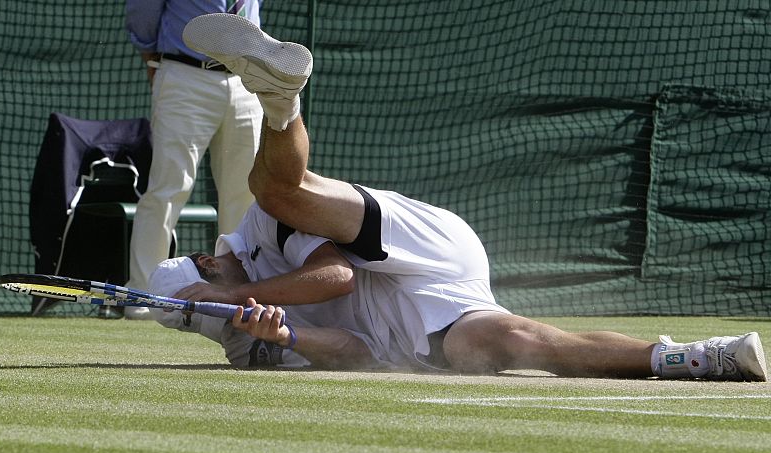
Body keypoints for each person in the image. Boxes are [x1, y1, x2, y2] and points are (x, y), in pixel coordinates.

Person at [148, 13, 768, 381]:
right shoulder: (243, 340)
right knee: (505, 344)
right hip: (411, 320)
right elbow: (355, 352)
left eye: (205, 294)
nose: (215, 316)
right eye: (201, 320)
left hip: (417, 246)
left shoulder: (255, 236)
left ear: (206, 263)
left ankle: (280, 99)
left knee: (274, 194)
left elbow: (335, 275)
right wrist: (284, 339)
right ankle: (694, 358)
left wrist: (235, 294)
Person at [122, 1, 265, 319]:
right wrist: (150, 55)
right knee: (168, 187)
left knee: (244, 195)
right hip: (185, 74)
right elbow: (143, 11)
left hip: (246, 81)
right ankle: (144, 296)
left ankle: (237, 293)